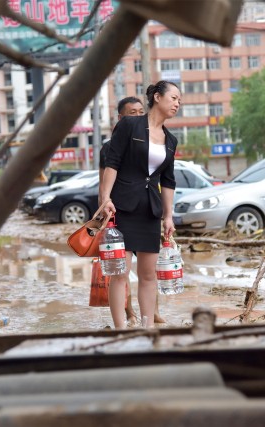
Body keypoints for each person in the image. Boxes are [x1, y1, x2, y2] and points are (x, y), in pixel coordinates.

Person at [99, 81, 181, 328]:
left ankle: (146, 327)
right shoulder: (130, 125)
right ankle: (121, 330)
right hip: (122, 207)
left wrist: (168, 216)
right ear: (157, 97)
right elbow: (112, 162)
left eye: (180, 100)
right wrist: (106, 199)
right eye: (174, 98)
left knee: (148, 275)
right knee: (120, 273)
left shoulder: (170, 140)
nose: (177, 104)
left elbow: (168, 180)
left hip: (149, 210)